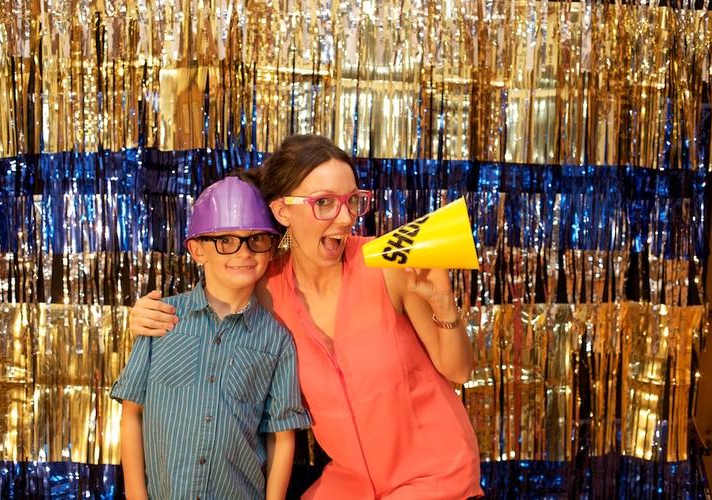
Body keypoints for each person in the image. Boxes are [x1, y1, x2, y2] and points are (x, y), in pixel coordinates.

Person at [129, 134, 483, 499]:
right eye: (325, 203)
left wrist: (445, 308)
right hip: (353, 482)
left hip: (437, 476)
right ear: (283, 211)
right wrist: (146, 315)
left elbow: (458, 372)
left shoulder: (387, 262)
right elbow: (212, 305)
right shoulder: (266, 289)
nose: (345, 219)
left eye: (352, 202)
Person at [110, 176, 312, 500]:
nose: (243, 252)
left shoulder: (277, 341)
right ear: (198, 249)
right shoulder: (161, 319)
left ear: (271, 247)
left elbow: (281, 437)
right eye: (226, 240)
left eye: (256, 239)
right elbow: (132, 412)